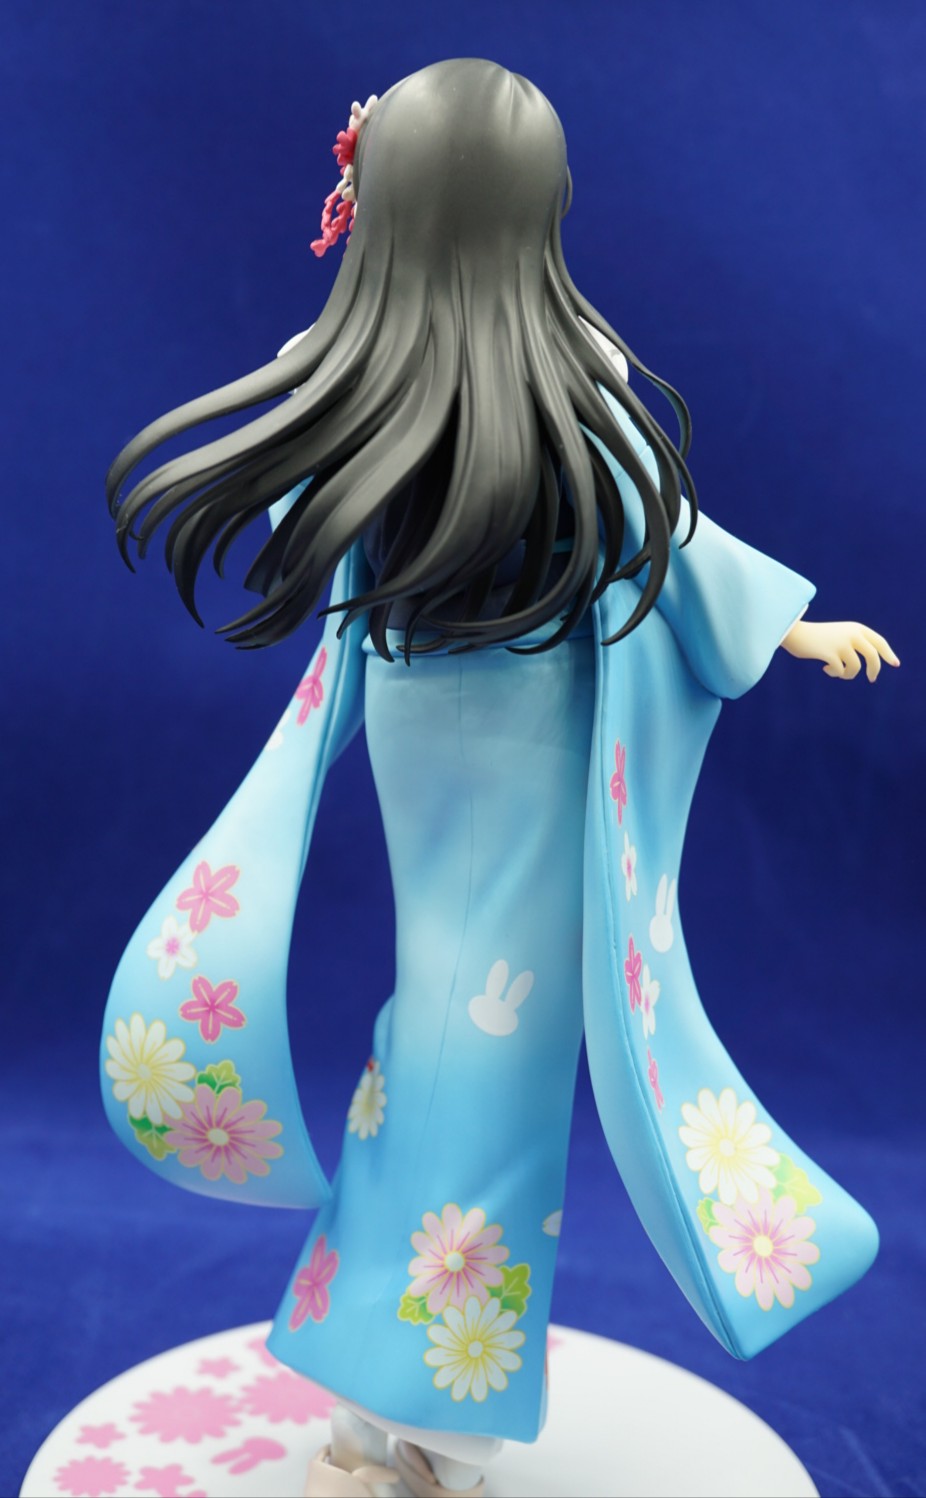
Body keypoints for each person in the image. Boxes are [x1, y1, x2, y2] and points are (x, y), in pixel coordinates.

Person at [103, 59, 898, 1498]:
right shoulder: (550, 382)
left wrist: (783, 622)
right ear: (540, 214)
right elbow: (661, 538)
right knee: (487, 1060)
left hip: (441, 723)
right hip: (516, 735)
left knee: (437, 1038)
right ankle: (432, 1425)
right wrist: (779, 626)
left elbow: (646, 531)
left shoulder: (375, 369)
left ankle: (377, 1400)